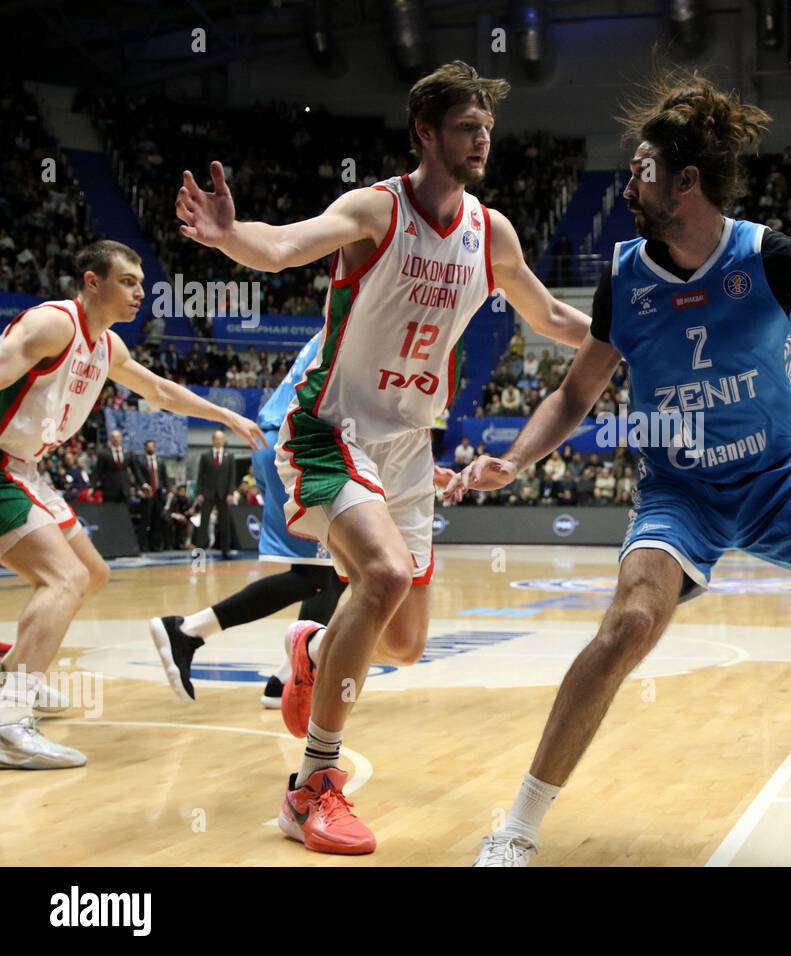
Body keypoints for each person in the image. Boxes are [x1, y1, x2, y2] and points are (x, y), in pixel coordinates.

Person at [451, 69, 791, 868]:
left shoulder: (771, 259)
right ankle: (518, 823)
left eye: (641, 170)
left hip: (778, 481)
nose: (627, 185)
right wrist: (512, 457)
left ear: (685, 181)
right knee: (629, 624)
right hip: (679, 493)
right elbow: (577, 392)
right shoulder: (627, 276)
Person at [174, 60, 589, 855]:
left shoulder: (490, 231)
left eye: (489, 129)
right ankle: (312, 787)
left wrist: (620, 332)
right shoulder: (377, 207)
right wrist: (231, 236)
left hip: (406, 446)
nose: (483, 142)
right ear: (425, 133)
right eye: (469, 128)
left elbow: (546, 314)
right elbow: (287, 245)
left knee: (403, 643)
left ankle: (314, 648)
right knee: (384, 576)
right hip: (330, 429)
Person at [0, 240, 264, 769]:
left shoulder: (107, 348)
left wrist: (225, 416)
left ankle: (13, 677)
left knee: (91, 573)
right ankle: (9, 721)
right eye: (126, 281)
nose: (139, 291)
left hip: (24, 467)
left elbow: (160, 391)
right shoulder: (52, 326)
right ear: (92, 282)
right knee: (64, 580)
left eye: (142, 282)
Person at [149, 333, 348, 709]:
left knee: (330, 573)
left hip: (277, 439)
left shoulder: (343, 317)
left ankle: (287, 679)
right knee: (320, 577)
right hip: (298, 444)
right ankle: (188, 631)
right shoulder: (368, 322)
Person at [195, 430, 238, 558]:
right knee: (204, 522)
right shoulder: (205, 456)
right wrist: (200, 493)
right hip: (208, 493)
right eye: (217, 439)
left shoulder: (229, 456)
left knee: (224, 523)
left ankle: (226, 551)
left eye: (221, 439)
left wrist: (230, 493)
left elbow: (232, 476)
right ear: (213, 440)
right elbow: (200, 476)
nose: (219, 441)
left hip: (224, 494)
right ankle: (199, 551)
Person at [130, 438, 168, 550]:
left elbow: (164, 477)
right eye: (149, 446)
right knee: (145, 520)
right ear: (145, 448)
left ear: (155, 447)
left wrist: (167, 490)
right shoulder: (140, 460)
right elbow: (137, 476)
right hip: (146, 494)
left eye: (152, 446)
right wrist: (142, 487)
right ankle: (143, 545)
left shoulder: (160, 461)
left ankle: (155, 545)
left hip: (158, 494)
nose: (151, 448)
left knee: (157, 521)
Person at [95, 429, 132, 502]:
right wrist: (93, 487)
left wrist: (141, 485)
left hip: (124, 488)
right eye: (114, 437)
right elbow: (98, 471)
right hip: (109, 489)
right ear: (111, 439)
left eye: (117, 437)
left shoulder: (128, 453)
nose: (116, 439)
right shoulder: (104, 454)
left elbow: (136, 470)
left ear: (121, 438)